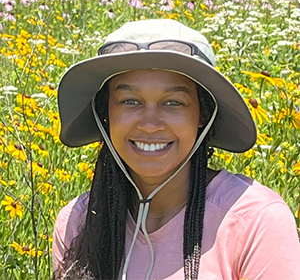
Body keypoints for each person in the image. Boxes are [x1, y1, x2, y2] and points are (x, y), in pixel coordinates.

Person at [52, 19, 300, 280]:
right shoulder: (79, 220)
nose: (150, 124)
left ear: (203, 114)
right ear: (105, 114)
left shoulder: (254, 221)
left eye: (173, 102)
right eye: (129, 101)